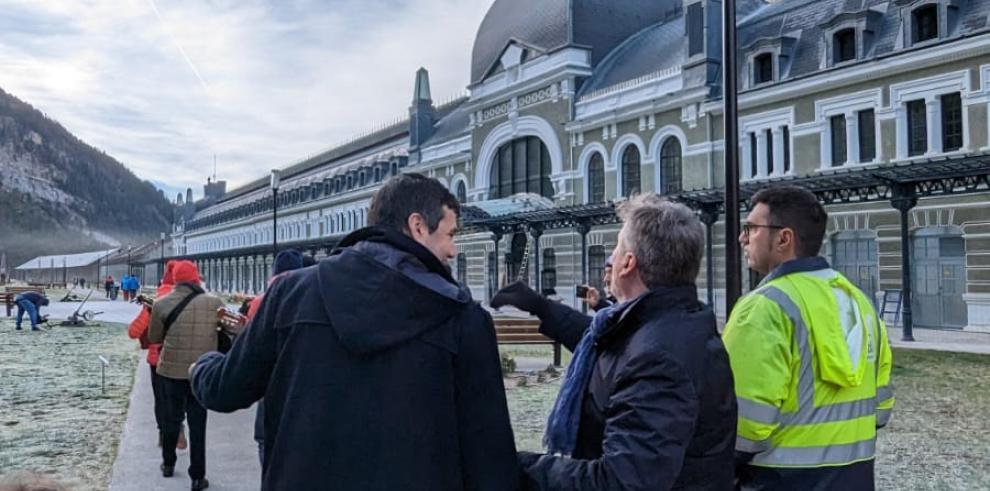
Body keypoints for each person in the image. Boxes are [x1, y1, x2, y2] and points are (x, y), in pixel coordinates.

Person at [190, 173, 518, 490]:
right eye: (450, 234)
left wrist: (201, 366)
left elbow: (226, 389)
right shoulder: (463, 319)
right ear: (418, 226)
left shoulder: (290, 295)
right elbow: (490, 459)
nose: (453, 250)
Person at [493, 195, 736, 490]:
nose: (611, 257)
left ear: (628, 263)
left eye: (617, 248)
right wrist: (543, 307)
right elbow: (606, 347)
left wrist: (516, 466)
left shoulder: (658, 360)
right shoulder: (674, 323)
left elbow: (621, 481)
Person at [723, 186, 894, 490]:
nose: (742, 238)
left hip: (776, 481)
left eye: (751, 228)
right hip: (855, 479)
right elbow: (880, 410)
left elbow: (741, 428)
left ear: (783, 239)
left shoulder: (764, 307)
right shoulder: (860, 303)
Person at [147, 260, 225, 490]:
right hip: (202, 372)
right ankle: (198, 476)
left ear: (176, 279)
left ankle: (168, 463)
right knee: (198, 423)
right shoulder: (215, 303)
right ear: (196, 278)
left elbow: (154, 338)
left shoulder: (161, 303)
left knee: (171, 419)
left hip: (170, 372)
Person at [243, 248, 306, 466]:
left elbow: (252, 341)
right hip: (300, 379)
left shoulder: (261, 301)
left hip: (269, 380)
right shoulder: (310, 298)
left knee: (264, 437)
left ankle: (268, 475)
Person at [127, 261, 187, 451]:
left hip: (157, 359)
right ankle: (178, 429)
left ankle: (163, 433)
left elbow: (134, 332)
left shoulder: (155, 302)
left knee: (161, 399)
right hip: (182, 359)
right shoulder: (190, 300)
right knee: (179, 397)